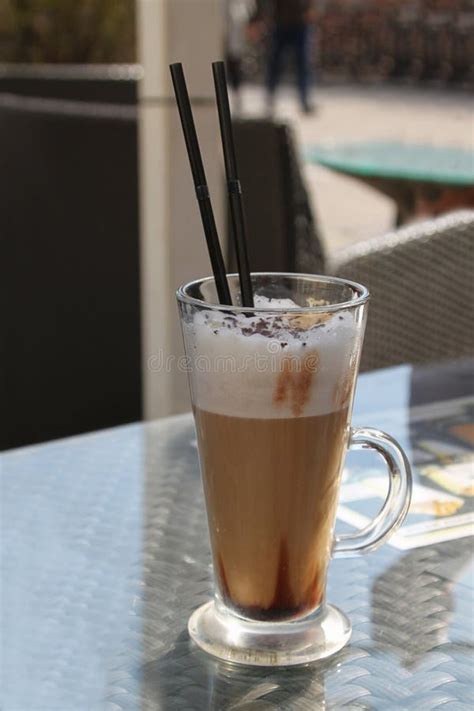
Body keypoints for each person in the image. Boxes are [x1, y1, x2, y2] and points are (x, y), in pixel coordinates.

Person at [255, 0, 317, 114]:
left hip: (300, 23)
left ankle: (304, 100)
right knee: (275, 64)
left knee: (302, 65)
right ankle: (270, 97)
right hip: (281, 23)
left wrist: (310, 9)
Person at [224, 0, 256, 114]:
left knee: (235, 63)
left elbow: (248, 9)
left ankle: (236, 97)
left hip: (236, 30)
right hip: (225, 26)